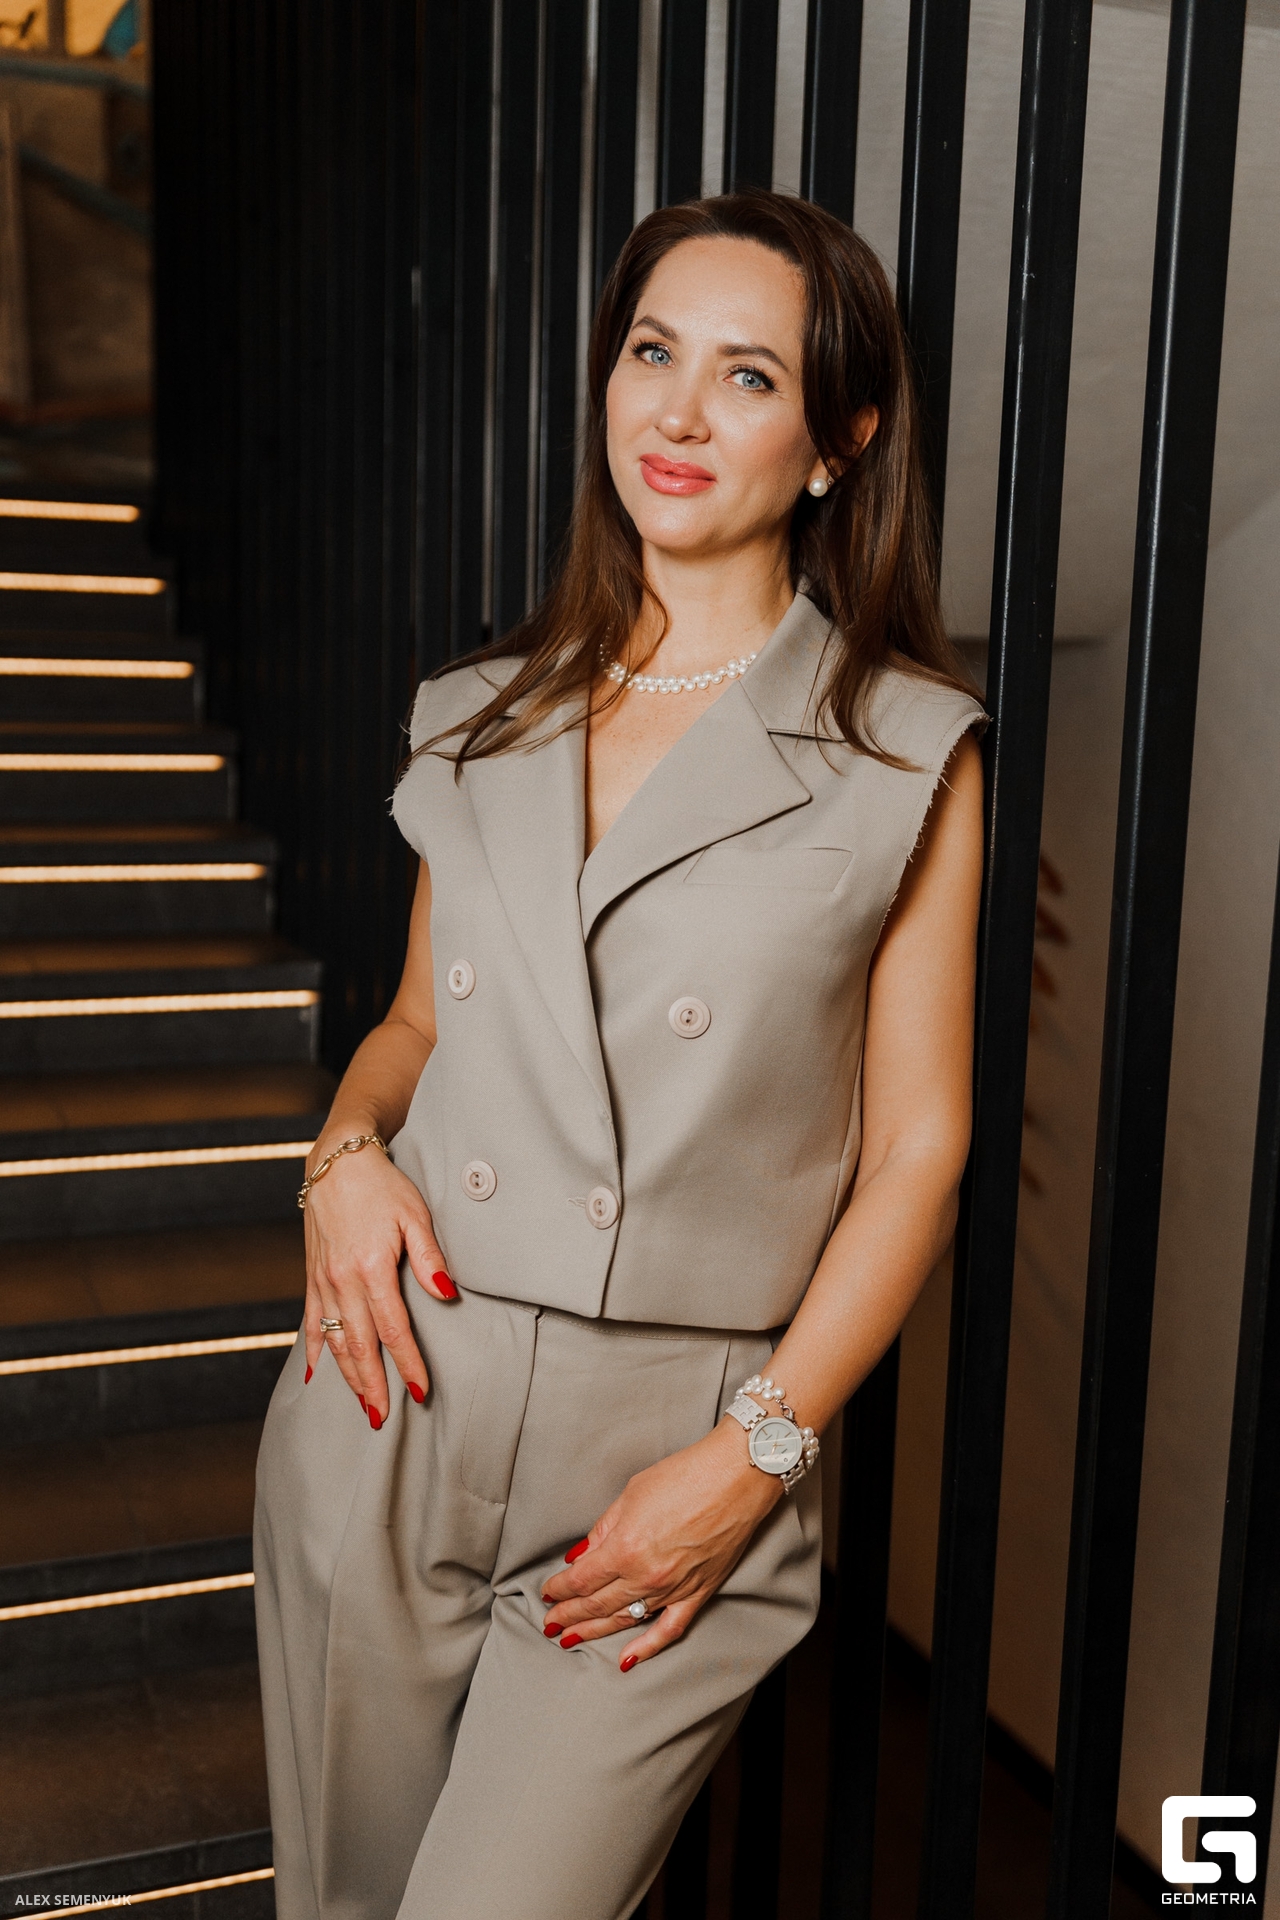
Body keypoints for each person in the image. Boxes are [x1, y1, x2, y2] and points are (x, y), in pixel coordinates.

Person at [253, 188, 985, 1920]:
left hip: (682, 1437)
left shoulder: (905, 752)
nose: (679, 410)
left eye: (749, 375)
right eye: (653, 353)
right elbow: (415, 1028)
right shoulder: (480, 712)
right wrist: (339, 1164)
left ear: (838, 441)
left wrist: (753, 1460)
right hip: (393, 1385)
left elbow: (921, 1152)